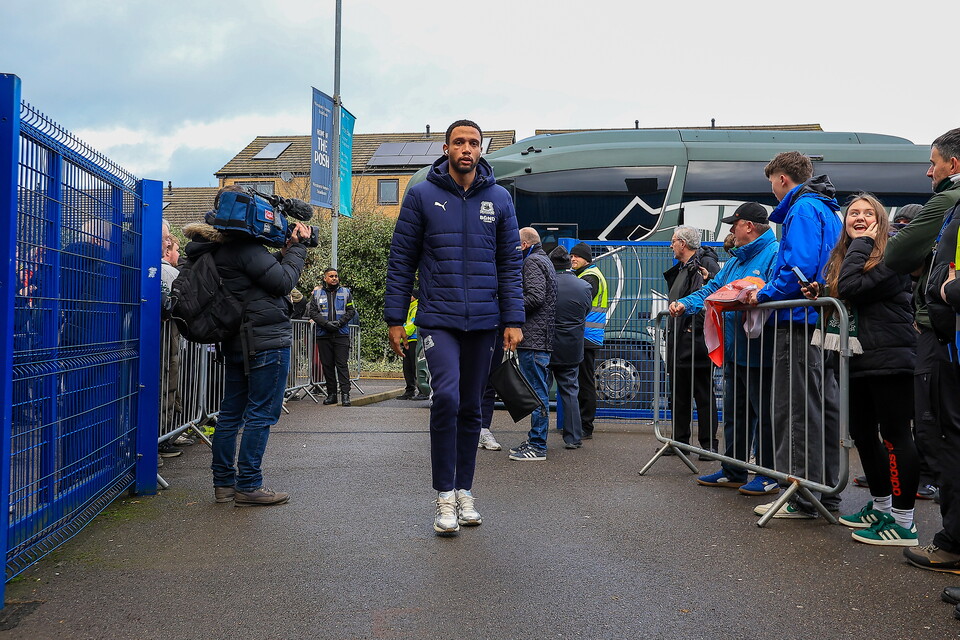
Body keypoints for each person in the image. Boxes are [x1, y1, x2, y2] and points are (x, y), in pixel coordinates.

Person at [384, 119, 524, 535]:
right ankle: (443, 495)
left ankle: (465, 491)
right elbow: (401, 260)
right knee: (445, 397)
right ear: (446, 149)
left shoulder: (499, 198)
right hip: (438, 320)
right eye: (459, 142)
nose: (467, 148)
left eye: (474, 143)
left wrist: (513, 319)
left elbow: (509, 266)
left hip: (484, 322)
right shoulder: (421, 195)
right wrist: (395, 319)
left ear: (481, 151)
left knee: (471, 408)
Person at [803, 194, 919, 546]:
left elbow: (853, 286)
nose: (860, 217)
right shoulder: (847, 254)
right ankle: (882, 506)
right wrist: (822, 291)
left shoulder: (893, 253)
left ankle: (904, 522)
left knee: (895, 435)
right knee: (863, 434)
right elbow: (846, 290)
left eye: (869, 213)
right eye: (854, 212)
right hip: (857, 358)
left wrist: (865, 241)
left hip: (890, 357)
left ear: (881, 221)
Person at [183, 184, 309, 507]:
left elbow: (258, 278)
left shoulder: (221, 247)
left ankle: (224, 483)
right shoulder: (247, 248)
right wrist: (299, 249)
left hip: (237, 340)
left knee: (231, 413)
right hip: (266, 341)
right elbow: (282, 282)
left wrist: (281, 254)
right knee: (261, 413)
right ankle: (249, 483)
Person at [745, 151, 843, 519]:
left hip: (797, 320)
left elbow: (797, 269)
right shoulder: (827, 209)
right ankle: (823, 493)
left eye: (771, 181)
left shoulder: (802, 210)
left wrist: (764, 294)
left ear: (783, 179)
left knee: (795, 408)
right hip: (821, 321)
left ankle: (801, 497)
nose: (771, 189)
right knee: (821, 408)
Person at [884, 128, 960, 574]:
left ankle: (953, 542)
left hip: (943, 334)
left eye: (934, 162)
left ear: (953, 164)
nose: (928, 171)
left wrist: (946, 290)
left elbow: (898, 255)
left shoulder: (948, 200)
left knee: (942, 435)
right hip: (940, 329)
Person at [671, 203, 779, 495]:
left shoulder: (773, 252)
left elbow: (776, 291)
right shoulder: (734, 261)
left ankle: (769, 474)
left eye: (735, 223)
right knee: (736, 412)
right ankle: (734, 469)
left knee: (765, 415)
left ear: (749, 226)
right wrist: (686, 304)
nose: (731, 229)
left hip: (762, 352)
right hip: (737, 351)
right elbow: (712, 290)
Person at [662, 225, 719, 457]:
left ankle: (708, 446)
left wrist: (689, 332)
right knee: (679, 393)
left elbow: (707, 303)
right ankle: (680, 441)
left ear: (683, 244)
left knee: (703, 394)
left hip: (696, 342)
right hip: (680, 341)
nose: (671, 245)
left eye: (674, 240)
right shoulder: (684, 268)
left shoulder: (703, 266)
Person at [508, 228, 557, 461]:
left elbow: (535, 297)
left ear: (524, 245)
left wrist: (510, 306)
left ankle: (537, 446)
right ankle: (535, 440)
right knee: (539, 391)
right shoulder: (545, 261)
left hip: (534, 339)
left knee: (537, 393)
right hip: (541, 338)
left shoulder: (532, 263)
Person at [548, 246, 592, 449]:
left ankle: (537, 438)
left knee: (541, 390)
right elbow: (586, 311)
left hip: (547, 345)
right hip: (572, 346)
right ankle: (573, 437)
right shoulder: (584, 286)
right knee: (570, 391)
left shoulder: (547, 284)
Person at [569, 242, 608, 439]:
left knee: (584, 382)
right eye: (572, 256)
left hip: (586, 336)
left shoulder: (590, 277)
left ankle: (586, 427)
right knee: (582, 380)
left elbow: (580, 304)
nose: (573, 259)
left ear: (587, 259)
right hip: (586, 336)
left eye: (577, 256)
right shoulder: (587, 275)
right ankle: (581, 425)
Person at [308, 267, 356, 407]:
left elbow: (351, 310)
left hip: (341, 334)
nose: (334, 278)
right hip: (324, 334)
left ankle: (345, 395)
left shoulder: (346, 292)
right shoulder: (317, 294)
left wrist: (340, 323)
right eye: (331, 276)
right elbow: (313, 312)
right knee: (327, 366)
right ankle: (332, 395)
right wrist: (326, 324)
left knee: (342, 365)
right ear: (325, 278)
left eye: (336, 276)